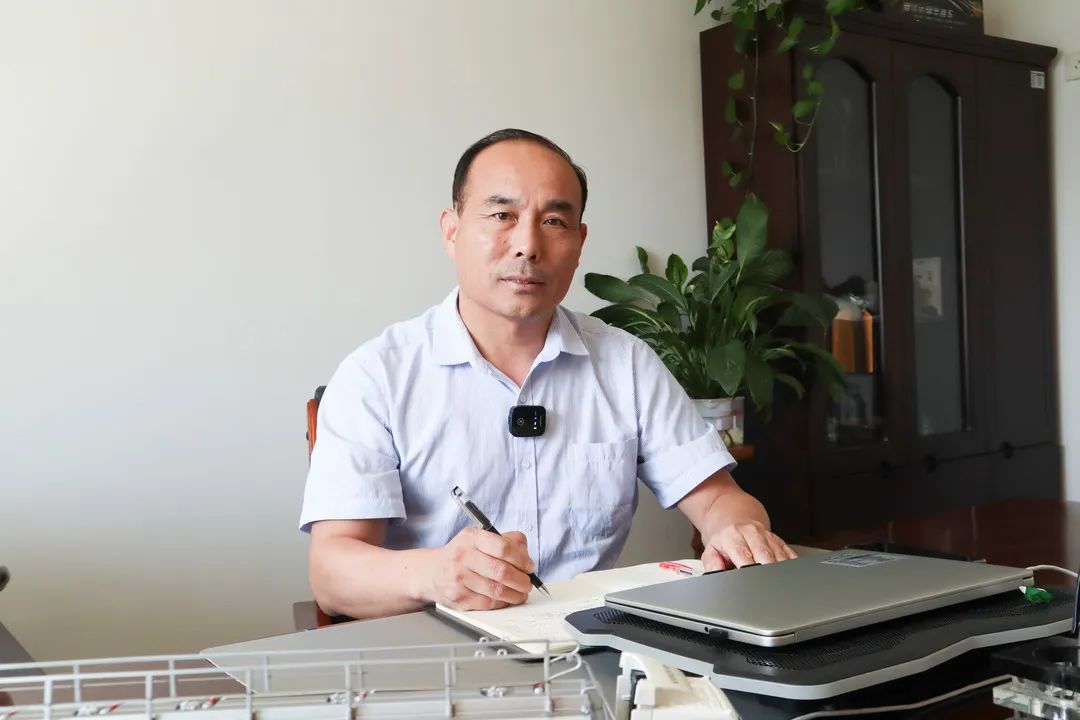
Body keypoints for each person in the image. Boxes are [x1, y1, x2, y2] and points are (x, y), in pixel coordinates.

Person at [301, 128, 796, 620]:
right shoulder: (378, 376)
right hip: (436, 648)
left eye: (554, 221)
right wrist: (437, 575)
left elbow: (719, 500)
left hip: (592, 643)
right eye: (502, 215)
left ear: (579, 242)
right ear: (451, 230)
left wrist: (737, 530)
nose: (528, 245)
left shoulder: (625, 364)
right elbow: (332, 573)